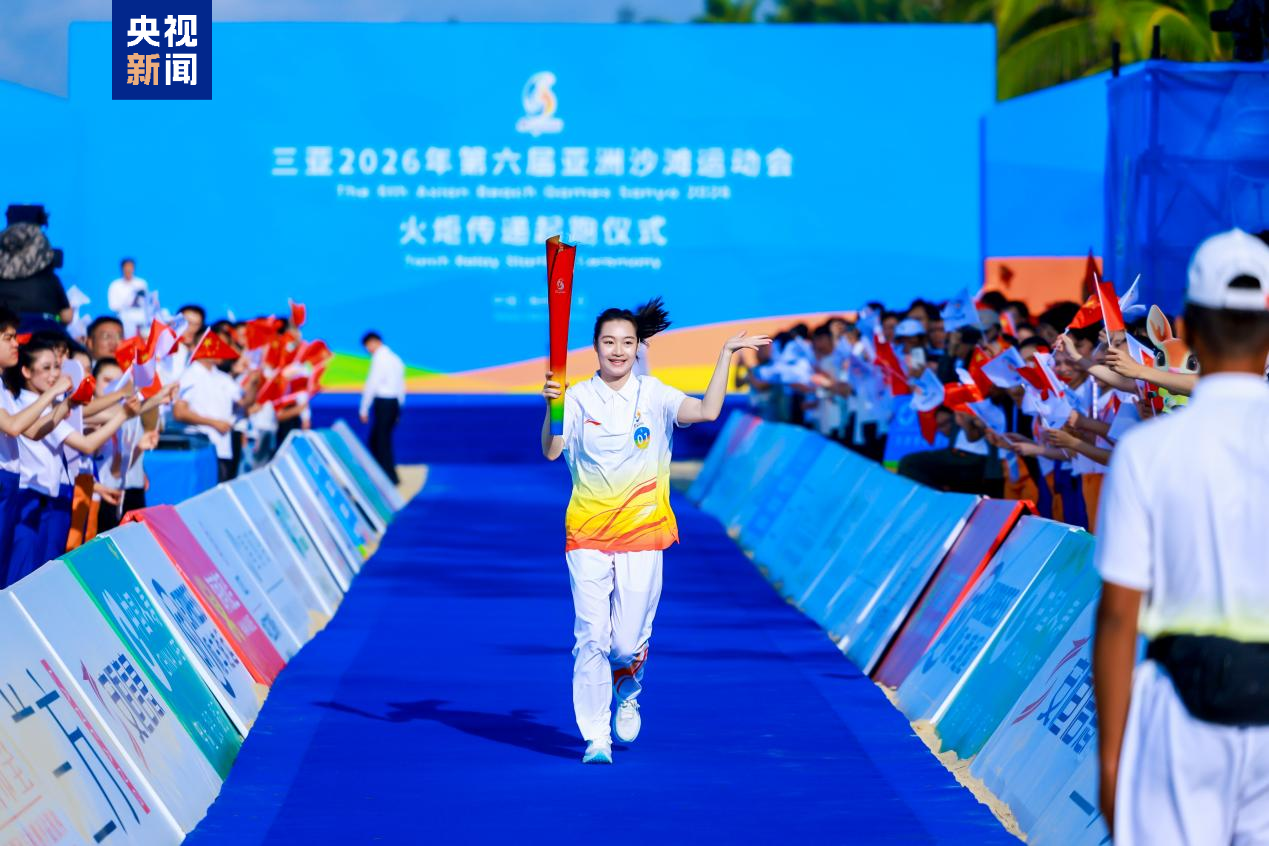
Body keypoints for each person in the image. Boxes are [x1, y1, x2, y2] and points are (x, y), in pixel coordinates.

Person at [1094, 228, 1269, 845]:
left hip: (1181, 712)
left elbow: (1119, 616)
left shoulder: (1146, 452)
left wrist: (1110, 762)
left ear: (1188, 330)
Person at [540, 296, 768, 764]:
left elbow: (707, 411)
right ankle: (596, 736)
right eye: (609, 342)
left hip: (643, 533)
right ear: (595, 347)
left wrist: (725, 354)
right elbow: (551, 449)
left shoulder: (655, 395)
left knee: (624, 643)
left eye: (627, 342)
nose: (618, 350)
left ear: (638, 347)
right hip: (587, 533)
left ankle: (629, 680)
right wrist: (551, 407)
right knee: (591, 637)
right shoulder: (577, 397)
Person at [6, 337, 137, 584]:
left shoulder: (48, 404)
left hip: (52, 496)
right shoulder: (29, 404)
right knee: (25, 576)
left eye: (57, 366)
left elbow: (85, 413)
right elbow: (84, 441)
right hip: (32, 497)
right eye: (47, 367)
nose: (55, 374)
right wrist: (122, 412)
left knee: (45, 574)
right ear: (26, 371)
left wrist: (133, 402)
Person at [0, 309, 72, 586]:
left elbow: (31, 431)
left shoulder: (3, 387)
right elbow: (13, 426)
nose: (16, 344)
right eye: (8, 338)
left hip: (10, 482)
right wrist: (53, 393)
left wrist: (64, 406)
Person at [174, 345, 258, 482]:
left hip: (223, 449)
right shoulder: (189, 375)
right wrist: (214, 423)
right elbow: (179, 412)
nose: (221, 351)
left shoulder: (223, 378)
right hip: (201, 448)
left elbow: (244, 402)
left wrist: (254, 381)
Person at [359, 331, 405, 484]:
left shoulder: (380, 358)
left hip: (384, 402)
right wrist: (399, 409)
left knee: (380, 441)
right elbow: (401, 386)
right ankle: (387, 475)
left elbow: (372, 383)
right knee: (381, 440)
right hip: (393, 403)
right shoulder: (395, 359)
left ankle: (387, 477)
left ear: (376, 342)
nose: (368, 350)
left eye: (368, 346)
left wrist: (364, 408)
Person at [107, 258, 148, 338]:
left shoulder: (141, 283)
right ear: (122, 269)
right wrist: (129, 301)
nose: (129, 270)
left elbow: (146, 303)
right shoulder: (115, 285)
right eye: (126, 267)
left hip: (141, 319)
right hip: (124, 319)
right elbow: (113, 306)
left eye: (131, 267)